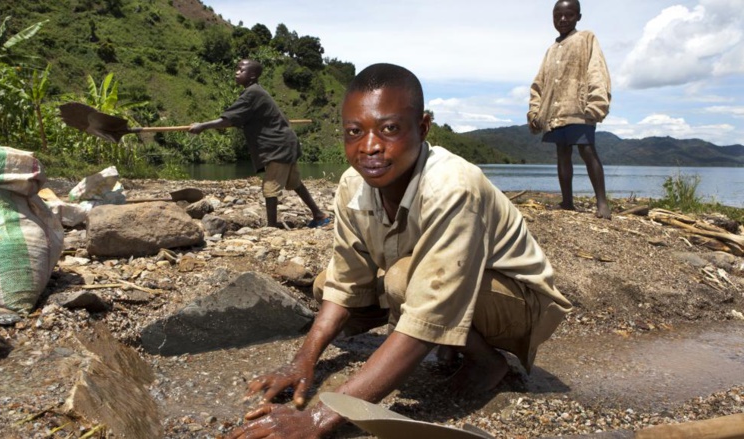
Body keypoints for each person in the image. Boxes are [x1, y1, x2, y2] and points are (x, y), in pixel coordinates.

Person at [224, 63, 573, 439]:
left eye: (389, 129)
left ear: (422, 128)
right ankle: (452, 342)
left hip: (521, 307)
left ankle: (488, 363)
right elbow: (345, 283)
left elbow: (426, 306)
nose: (370, 146)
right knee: (326, 285)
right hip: (446, 288)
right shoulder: (352, 185)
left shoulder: (452, 186)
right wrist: (302, 362)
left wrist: (318, 418)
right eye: (354, 132)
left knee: (402, 281)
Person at [189, 59, 330, 228]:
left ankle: (271, 226)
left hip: (278, 145)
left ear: (253, 75)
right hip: (286, 143)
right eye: (237, 69)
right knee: (295, 183)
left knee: (270, 187)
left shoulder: (252, 93)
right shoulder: (255, 92)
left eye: (242, 70)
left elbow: (229, 119)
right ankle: (319, 214)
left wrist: (202, 126)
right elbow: (236, 119)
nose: (237, 72)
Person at [527, 0, 612, 219]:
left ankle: (602, 204)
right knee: (562, 153)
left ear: (578, 17)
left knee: (587, 150)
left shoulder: (586, 39)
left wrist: (596, 103)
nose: (563, 20)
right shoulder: (551, 50)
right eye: (558, 16)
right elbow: (539, 84)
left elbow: (596, 70)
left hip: (579, 107)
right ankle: (567, 202)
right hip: (556, 113)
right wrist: (535, 112)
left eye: (569, 15)